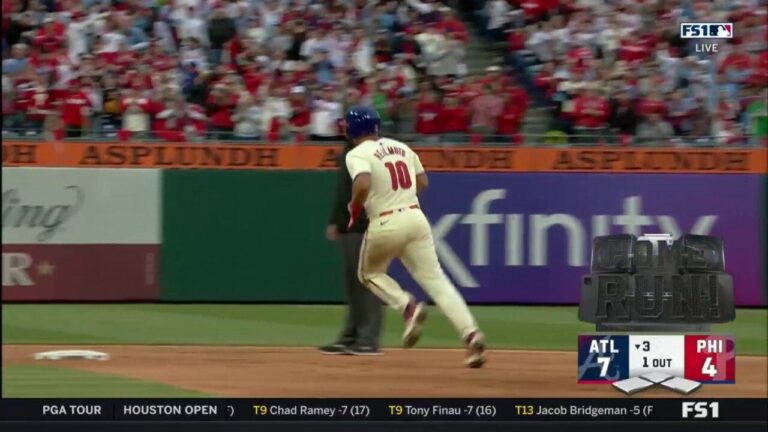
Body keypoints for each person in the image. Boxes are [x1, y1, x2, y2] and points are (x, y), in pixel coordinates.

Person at [343, 105, 486, 368]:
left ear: (351, 129)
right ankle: (471, 334)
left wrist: (354, 209)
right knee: (437, 281)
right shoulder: (401, 147)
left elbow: (362, 183)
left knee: (369, 274)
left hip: (385, 220)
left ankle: (407, 306)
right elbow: (423, 182)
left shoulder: (356, 153)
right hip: (415, 216)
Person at [318, 141, 385, 356]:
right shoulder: (348, 150)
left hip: (369, 222)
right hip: (349, 224)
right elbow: (343, 190)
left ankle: (368, 339)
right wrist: (335, 221)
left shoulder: (377, 151)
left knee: (369, 282)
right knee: (353, 283)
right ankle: (351, 336)